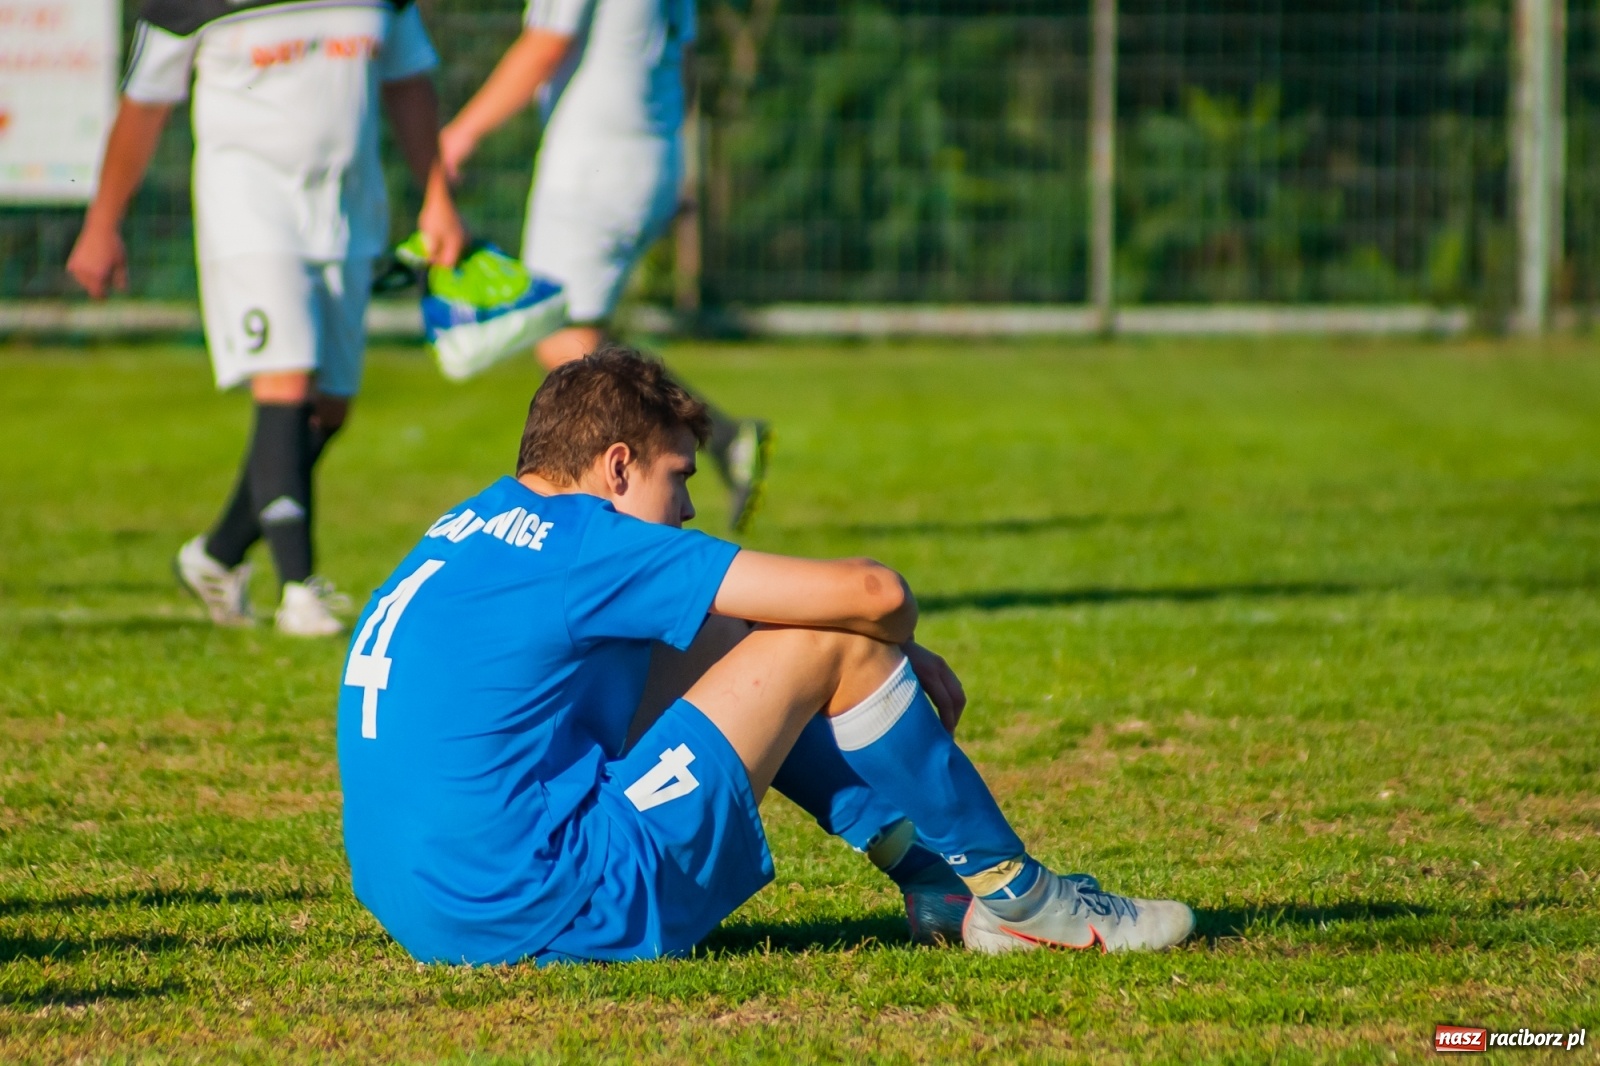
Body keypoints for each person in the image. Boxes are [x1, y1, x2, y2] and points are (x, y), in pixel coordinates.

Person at [337, 346, 1195, 965]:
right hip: (546, 902)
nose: (685, 510)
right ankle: (1024, 901)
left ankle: (937, 882)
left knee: (718, 630)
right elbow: (875, 596)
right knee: (823, 645)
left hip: (430, 904)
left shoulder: (466, 526)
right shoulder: (589, 540)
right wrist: (888, 645)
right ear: (618, 467)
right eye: (681, 478)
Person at [67, 0, 465, 636]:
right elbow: (144, 106)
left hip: (345, 214)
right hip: (247, 206)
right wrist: (102, 223)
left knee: (330, 408)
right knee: (284, 378)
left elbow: (408, 83)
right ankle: (299, 590)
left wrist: (438, 199)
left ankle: (217, 554)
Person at [435, 0, 770, 532]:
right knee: (576, 340)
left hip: (591, 162)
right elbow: (682, 64)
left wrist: (461, 133)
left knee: (567, 352)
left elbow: (546, 43)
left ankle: (621, 511)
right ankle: (719, 441)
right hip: (652, 152)